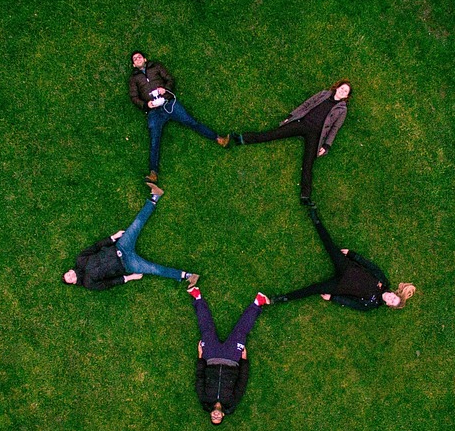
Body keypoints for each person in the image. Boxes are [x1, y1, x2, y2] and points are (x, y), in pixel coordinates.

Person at [270, 205, 415, 310]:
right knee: (330, 246)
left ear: (389, 305)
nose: (390, 298)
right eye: (393, 297)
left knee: (314, 289)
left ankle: (283, 298)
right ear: (393, 293)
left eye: (391, 302)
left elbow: (351, 302)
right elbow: (370, 266)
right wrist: (352, 254)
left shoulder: (371, 305)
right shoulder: (383, 281)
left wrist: (333, 297)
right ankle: (315, 218)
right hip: (347, 267)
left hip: (339, 286)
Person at [229, 80, 351, 205]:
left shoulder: (342, 110)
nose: (342, 91)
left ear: (346, 96)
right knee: (274, 134)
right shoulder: (323, 94)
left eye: (345, 91)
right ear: (337, 88)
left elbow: (335, 128)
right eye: (342, 88)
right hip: (302, 123)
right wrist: (291, 116)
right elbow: (306, 104)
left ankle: (305, 196)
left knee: (308, 163)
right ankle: (242, 139)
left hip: (315, 135)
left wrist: (327, 145)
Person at [63, 182, 199, 290]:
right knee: (153, 269)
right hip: (127, 265)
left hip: (121, 246)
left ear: (70, 270)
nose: (70, 275)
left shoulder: (81, 259)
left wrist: (112, 237)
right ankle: (188, 276)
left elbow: (96, 246)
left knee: (136, 225)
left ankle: (155, 196)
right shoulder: (89, 283)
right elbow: (110, 283)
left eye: (68, 273)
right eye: (69, 278)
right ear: (73, 282)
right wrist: (130, 277)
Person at [128, 51, 229, 183]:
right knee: (154, 140)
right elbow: (134, 97)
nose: (137, 59)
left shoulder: (156, 66)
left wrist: (165, 89)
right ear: (134, 65)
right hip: (154, 111)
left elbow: (170, 79)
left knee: (191, 121)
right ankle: (153, 173)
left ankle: (219, 139)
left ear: (145, 59)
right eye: (135, 59)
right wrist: (146, 105)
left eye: (139, 57)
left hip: (169, 103)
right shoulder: (133, 79)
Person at [190, 287, 270, 424]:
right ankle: (258, 303)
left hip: (211, 357)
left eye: (213, 417)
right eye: (218, 418)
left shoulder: (204, 398)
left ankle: (197, 297)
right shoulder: (232, 401)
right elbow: (242, 382)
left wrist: (200, 356)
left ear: (210, 414)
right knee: (241, 332)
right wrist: (244, 360)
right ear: (223, 416)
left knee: (206, 330)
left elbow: (200, 377)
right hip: (232, 359)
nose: (215, 415)